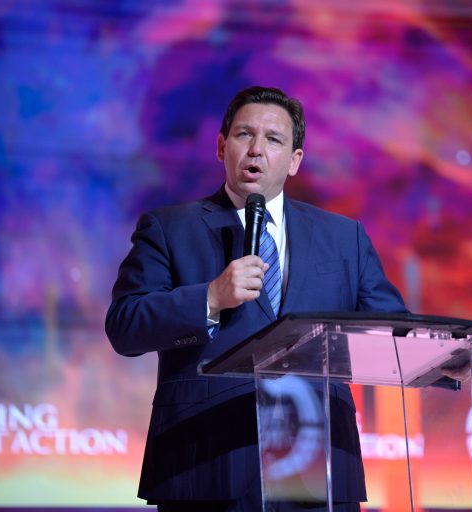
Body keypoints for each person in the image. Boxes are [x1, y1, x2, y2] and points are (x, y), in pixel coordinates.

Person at [105, 86, 408, 512]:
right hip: (206, 464)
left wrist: (449, 354)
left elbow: (393, 328)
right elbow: (125, 326)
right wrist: (210, 297)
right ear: (221, 146)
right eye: (245, 135)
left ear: (295, 160)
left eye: (273, 139)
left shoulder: (344, 238)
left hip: (318, 467)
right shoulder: (169, 228)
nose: (256, 150)